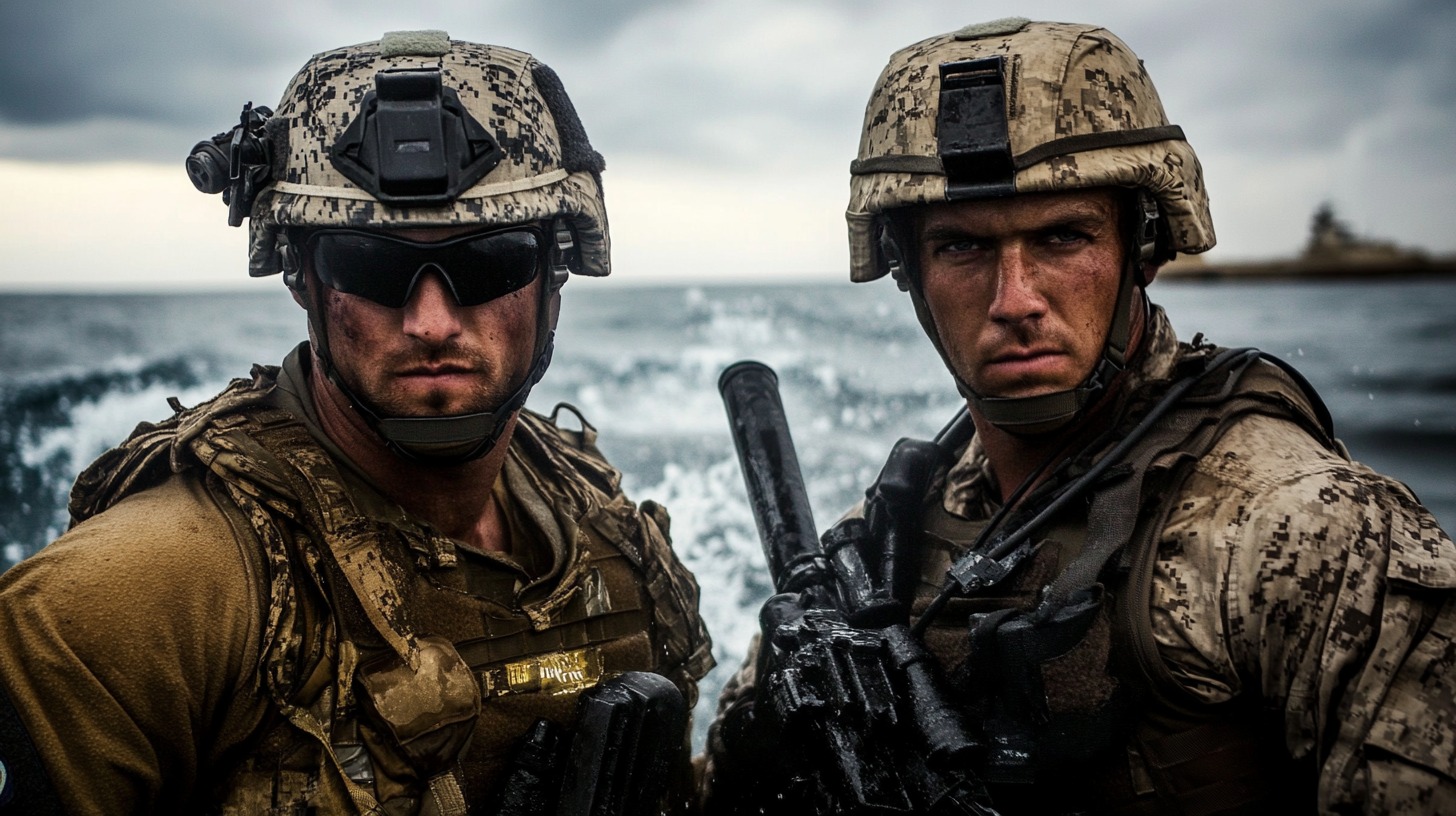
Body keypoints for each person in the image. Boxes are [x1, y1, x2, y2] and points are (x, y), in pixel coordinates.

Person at [701, 18, 1456, 815]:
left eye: (1063, 236)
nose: (1014, 300)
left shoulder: (1305, 529)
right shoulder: (882, 546)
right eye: (962, 248)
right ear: (908, 270)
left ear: (1145, 246)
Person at [0, 30, 713, 815]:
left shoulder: (607, 530)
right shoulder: (129, 607)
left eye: (489, 261)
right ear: (303, 277)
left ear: (554, 274)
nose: (432, 321)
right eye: (374, 266)